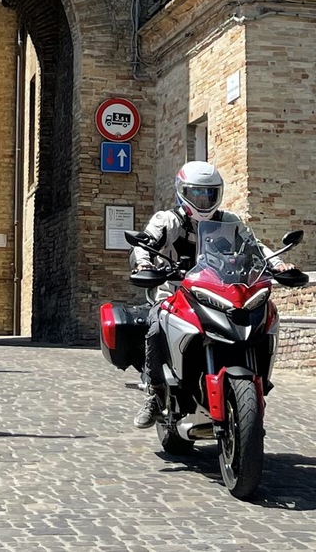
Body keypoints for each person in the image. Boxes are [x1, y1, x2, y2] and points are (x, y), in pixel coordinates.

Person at [130, 160, 305, 428]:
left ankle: (257, 380)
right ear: (182, 192)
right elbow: (145, 243)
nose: (202, 199)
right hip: (174, 292)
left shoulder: (228, 222)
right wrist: (144, 263)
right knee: (155, 327)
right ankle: (155, 393)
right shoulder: (167, 220)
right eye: (196, 193)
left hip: (215, 290)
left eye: (208, 193)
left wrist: (277, 264)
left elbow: (254, 247)